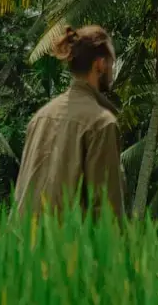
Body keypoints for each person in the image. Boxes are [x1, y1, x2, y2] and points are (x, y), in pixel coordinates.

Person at [13, 25, 127, 219]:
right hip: (67, 245)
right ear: (99, 65)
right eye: (111, 63)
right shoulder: (101, 123)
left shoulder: (41, 116)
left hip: (25, 243)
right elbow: (106, 209)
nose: (111, 69)